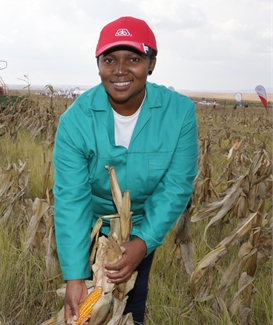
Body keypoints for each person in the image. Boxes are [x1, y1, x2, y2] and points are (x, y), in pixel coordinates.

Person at [52, 16, 198, 325]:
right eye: (109, 60)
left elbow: (176, 186)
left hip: (144, 227)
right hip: (90, 229)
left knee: (132, 306)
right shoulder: (75, 120)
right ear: (99, 64)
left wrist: (142, 243)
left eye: (133, 59)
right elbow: (71, 199)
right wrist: (75, 276)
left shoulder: (180, 112)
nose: (119, 70)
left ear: (151, 63)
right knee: (85, 312)